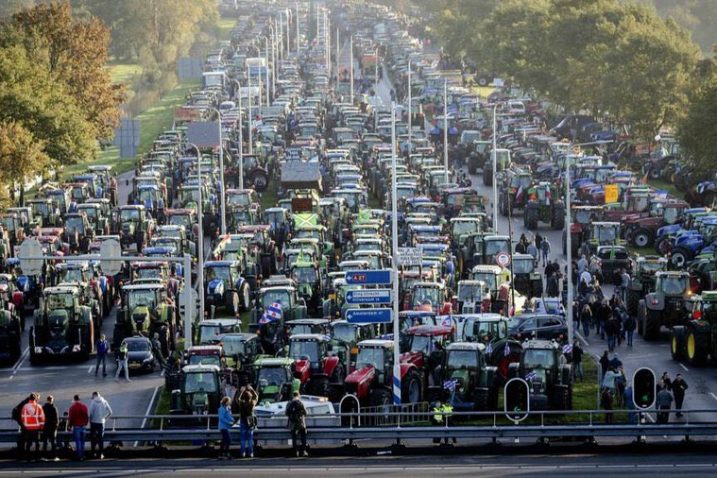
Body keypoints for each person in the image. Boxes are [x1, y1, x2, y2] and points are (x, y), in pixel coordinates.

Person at [20, 393, 45, 462]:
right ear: (35, 398)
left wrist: (25, 425)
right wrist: (41, 426)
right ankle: (37, 457)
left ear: (29, 398)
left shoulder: (25, 406)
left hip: (27, 428)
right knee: (37, 442)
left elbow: (22, 417)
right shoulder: (38, 406)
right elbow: (42, 418)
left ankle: (28, 457)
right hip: (36, 427)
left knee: (28, 442)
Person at [88, 392, 113, 459]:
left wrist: (90, 421)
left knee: (93, 438)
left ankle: (93, 453)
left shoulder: (93, 402)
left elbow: (90, 413)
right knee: (100, 438)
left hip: (93, 422)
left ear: (94, 395)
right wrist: (105, 419)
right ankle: (101, 454)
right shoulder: (104, 401)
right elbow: (110, 412)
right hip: (101, 423)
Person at [238, 385, 258, 458]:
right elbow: (256, 397)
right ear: (250, 397)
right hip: (250, 422)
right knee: (250, 439)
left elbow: (238, 398)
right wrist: (252, 389)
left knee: (243, 439)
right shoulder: (252, 403)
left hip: (243, 421)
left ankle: (242, 453)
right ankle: (251, 453)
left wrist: (242, 391)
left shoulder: (242, 403)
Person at [286, 392, 308, 457]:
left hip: (292, 423)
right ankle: (303, 451)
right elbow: (306, 413)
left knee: (294, 438)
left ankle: (295, 452)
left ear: (292, 395)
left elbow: (286, 413)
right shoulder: (301, 402)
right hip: (301, 423)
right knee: (303, 436)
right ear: (298, 395)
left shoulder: (289, 403)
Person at [67, 395, 89, 461]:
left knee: (78, 442)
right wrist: (85, 423)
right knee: (82, 442)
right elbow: (86, 416)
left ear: (74, 400)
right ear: (80, 399)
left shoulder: (72, 408)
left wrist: (69, 426)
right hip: (83, 426)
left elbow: (71, 418)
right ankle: (82, 455)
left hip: (76, 426)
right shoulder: (84, 407)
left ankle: (79, 456)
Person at [42, 396, 59, 460]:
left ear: (47, 400)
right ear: (52, 400)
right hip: (52, 428)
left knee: (45, 442)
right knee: (53, 442)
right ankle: (54, 456)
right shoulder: (54, 408)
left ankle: (44, 456)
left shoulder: (43, 408)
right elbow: (56, 419)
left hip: (45, 427)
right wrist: (56, 427)